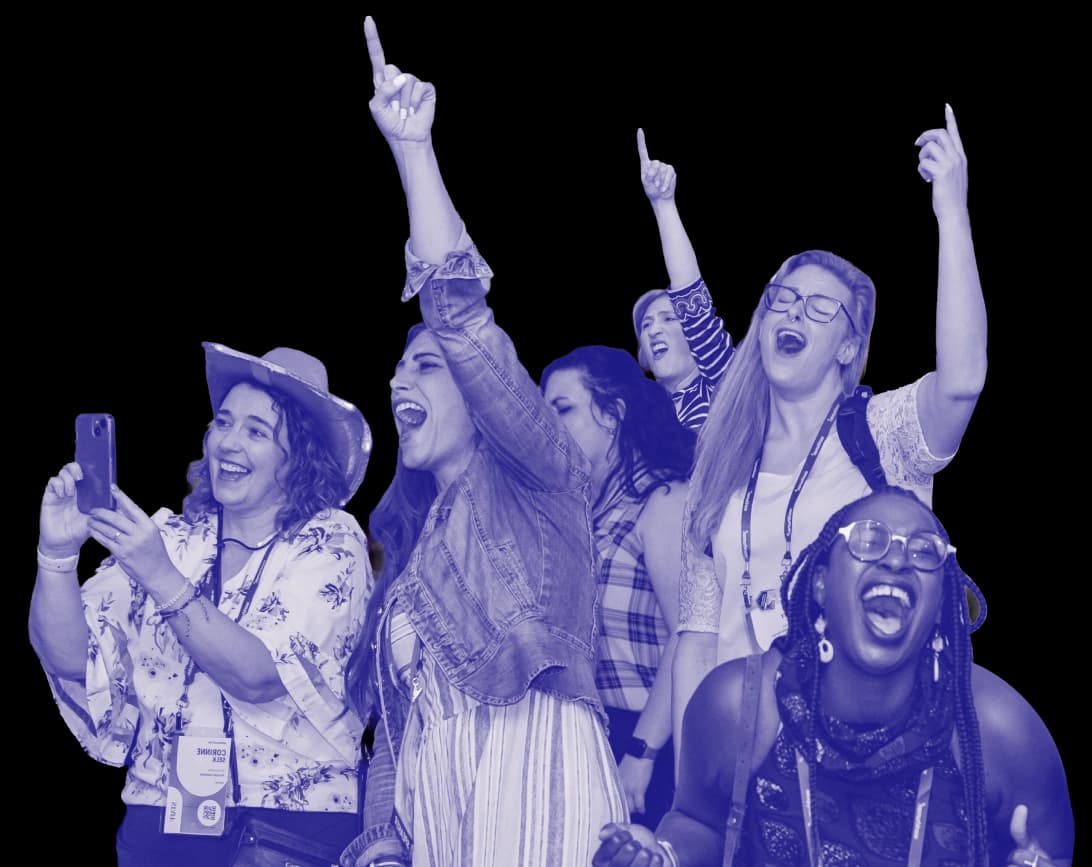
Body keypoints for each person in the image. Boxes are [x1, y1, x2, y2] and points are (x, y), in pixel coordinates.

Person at [338, 17, 626, 867]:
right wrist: (386, 834)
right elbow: (398, 720)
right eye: (396, 371)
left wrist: (412, 154)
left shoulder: (544, 472)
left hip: (530, 757)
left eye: (422, 367)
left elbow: (461, 317)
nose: (399, 382)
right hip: (439, 794)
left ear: (477, 390)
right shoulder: (410, 543)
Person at [671, 104, 988, 758]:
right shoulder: (723, 465)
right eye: (780, 301)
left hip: (863, 758)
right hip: (743, 765)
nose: (792, 313)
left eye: (819, 309)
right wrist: (689, 783)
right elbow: (699, 636)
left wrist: (951, 211)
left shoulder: (880, 435)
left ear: (849, 346)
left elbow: (959, 382)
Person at [594, 486, 1074, 866]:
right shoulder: (740, 704)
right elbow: (698, 822)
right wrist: (664, 854)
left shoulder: (999, 729)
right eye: (870, 539)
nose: (896, 558)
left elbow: (1048, 855)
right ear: (821, 584)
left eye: (925, 551)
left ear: (941, 603)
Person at [30, 341, 375, 865]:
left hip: (284, 833)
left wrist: (160, 576)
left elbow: (258, 675)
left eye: (257, 432)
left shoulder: (329, 541)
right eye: (224, 423)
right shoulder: (170, 537)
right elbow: (69, 657)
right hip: (159, 825)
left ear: (299, 458)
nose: (229, 443)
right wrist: (55, 554)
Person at [541, 345, 696, 829]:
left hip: (647, 740)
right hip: (588, 738)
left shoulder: (664, 501)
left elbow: (689, 634)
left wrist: (643, 752)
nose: (548, 426)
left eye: (562, 409)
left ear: (613, 413)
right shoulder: (584, 514)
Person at [632, 128, 733, 432]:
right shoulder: (638, 421)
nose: (654, 330)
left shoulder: (725, 390)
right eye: (646, 325)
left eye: (668, 319)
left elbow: (693, 304)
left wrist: (663, 206)